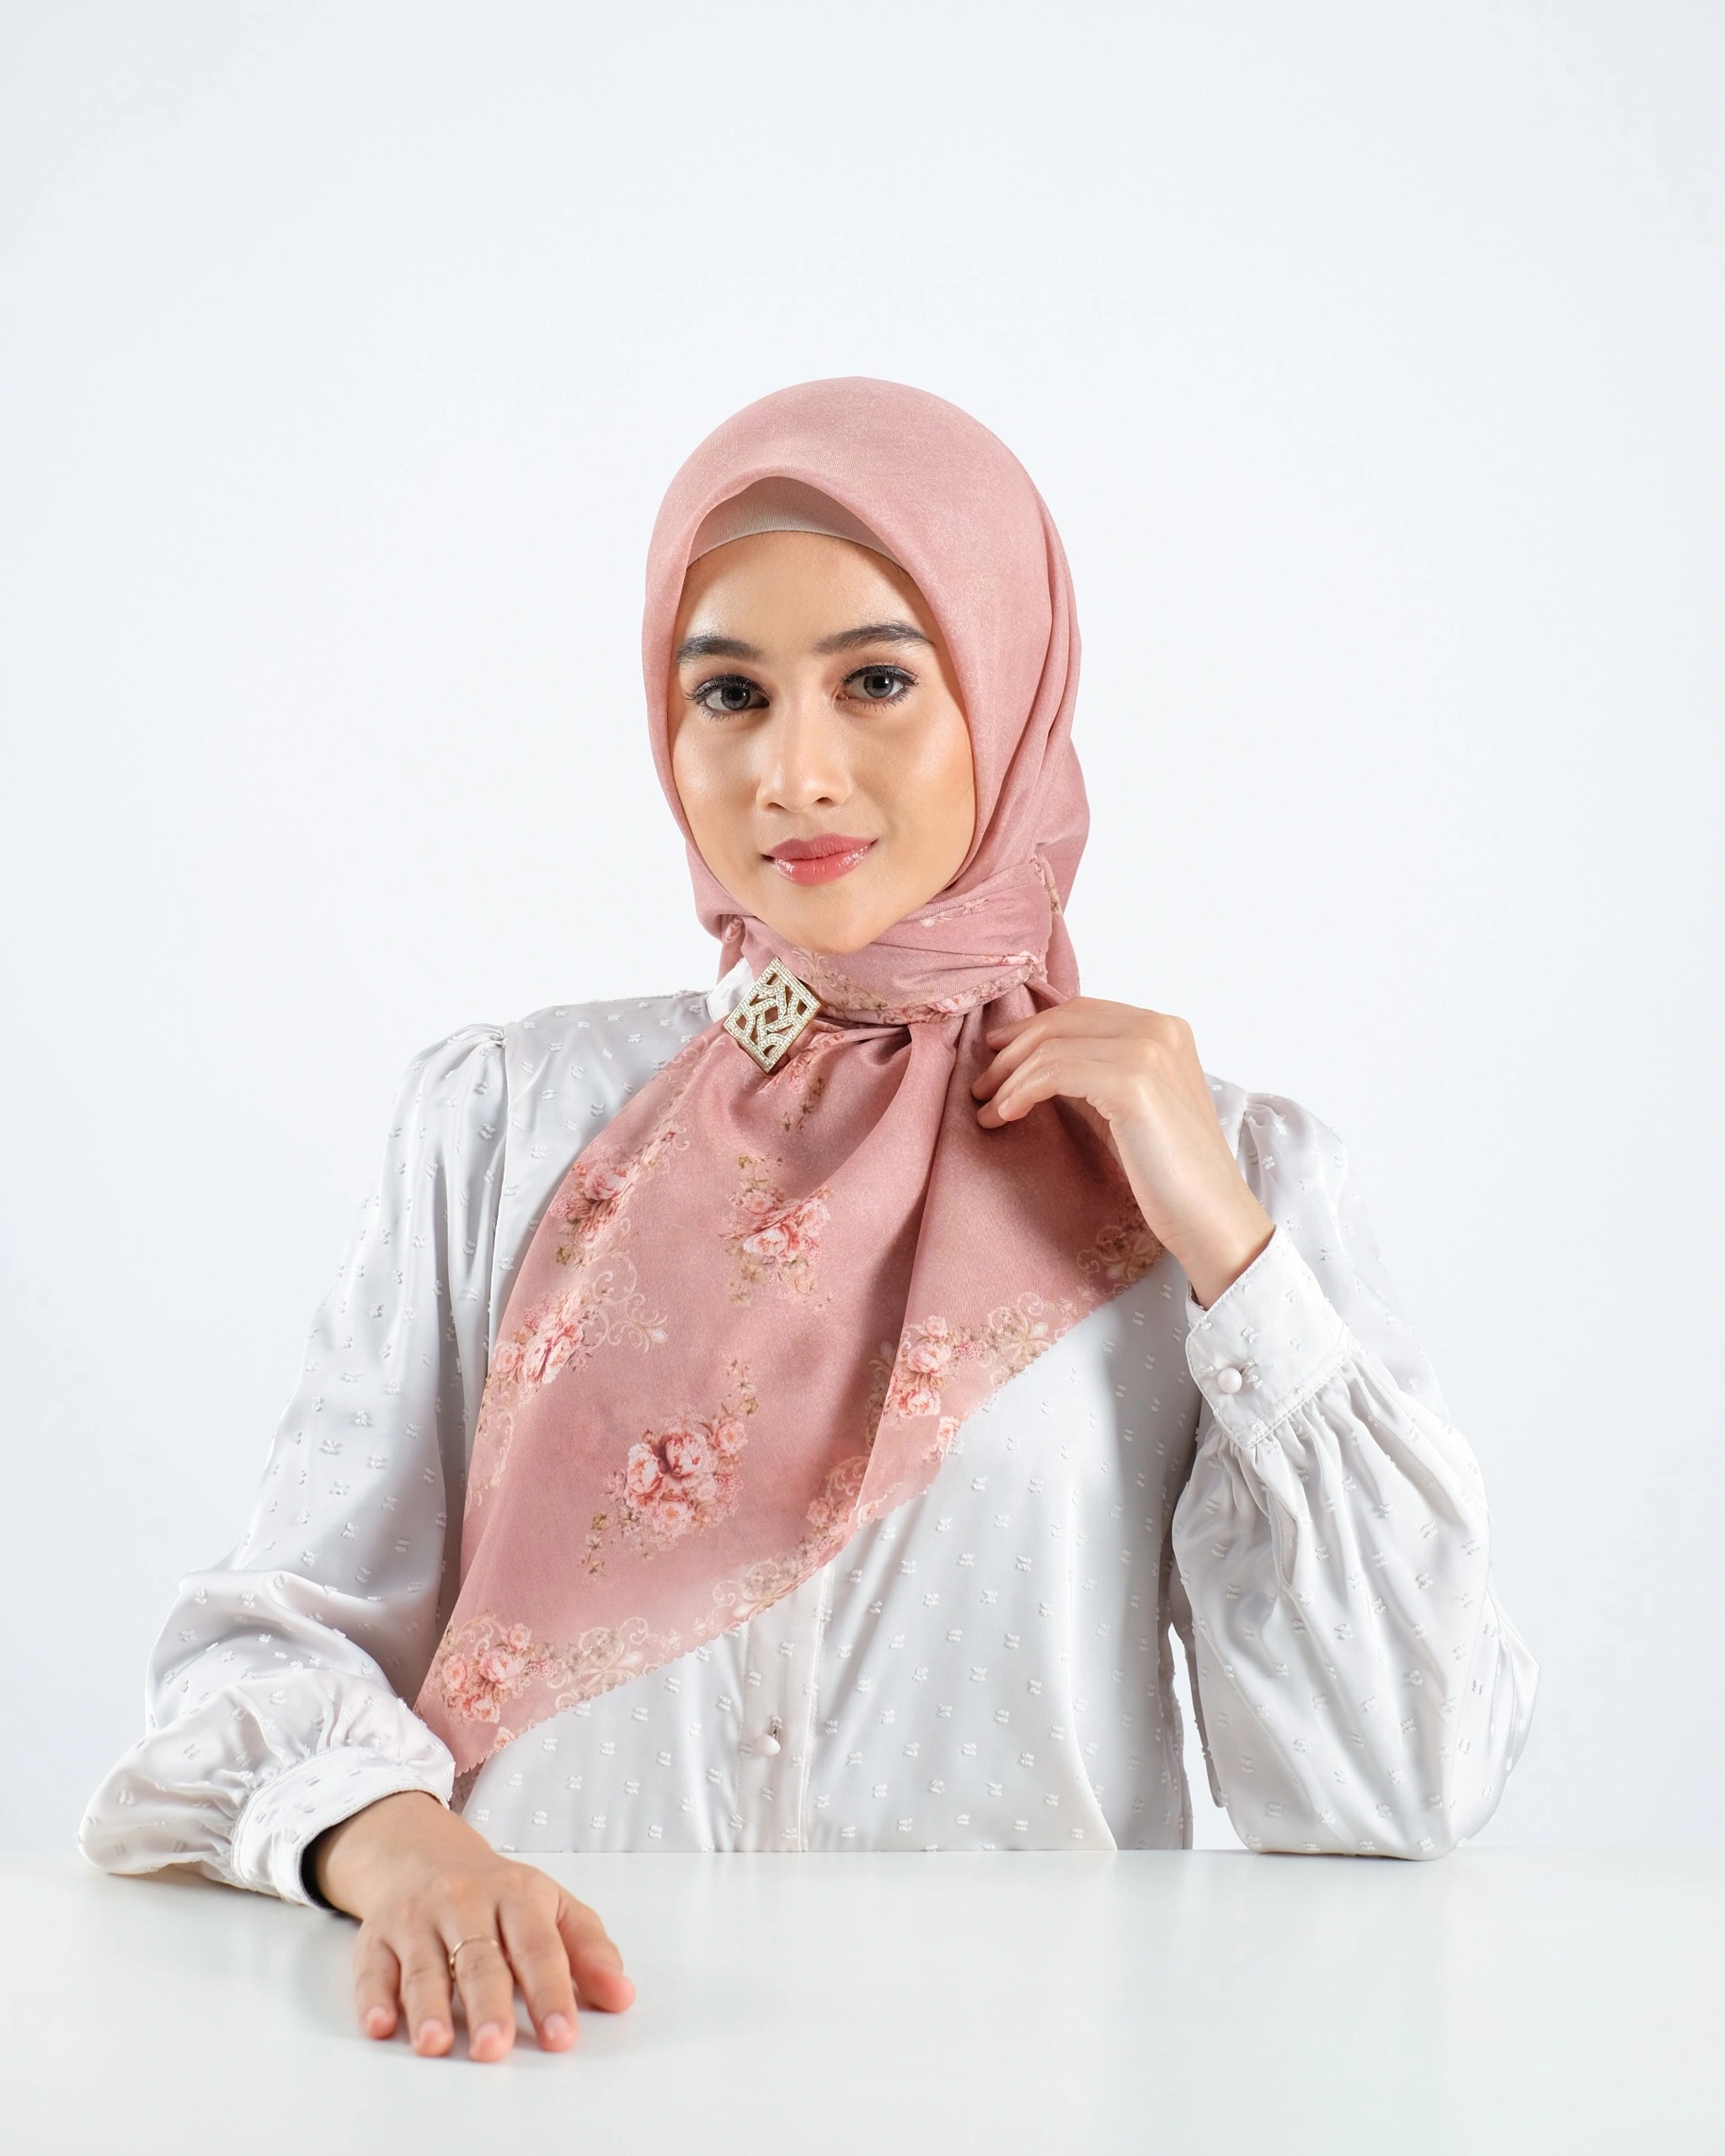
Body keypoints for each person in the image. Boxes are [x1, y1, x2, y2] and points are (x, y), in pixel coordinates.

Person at [81, 378, 1537, 2063]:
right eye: (729, 693)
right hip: (545, 2069)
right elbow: (260, 1650)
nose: (794, 771)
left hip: (1015, 2086)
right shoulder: (508, 1124)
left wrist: (1233, 1249)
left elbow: (1396, 1781)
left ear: (1012, 690)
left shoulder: (1207, 1175)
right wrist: (400, 1844)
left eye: (876, 680)